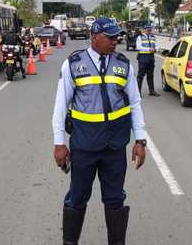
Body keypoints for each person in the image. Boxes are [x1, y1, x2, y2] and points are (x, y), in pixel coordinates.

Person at [52, 18, 147, 245]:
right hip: (83, 146)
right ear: (94, 37)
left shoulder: (123, 64)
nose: (116, 41)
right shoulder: (73, 64)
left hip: (114, 146)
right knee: (77, 198)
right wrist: (59, 143)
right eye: (110, 37)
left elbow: (135, 103)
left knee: (115, 200)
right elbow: (60, 105)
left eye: (117, 37)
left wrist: (140, 140)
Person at [136, 24, 160, 96]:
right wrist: (149, 49)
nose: (149, 30)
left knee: (150, 75)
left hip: (151, 57)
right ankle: (138, 92)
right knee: (140, 75)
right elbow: (138, 47)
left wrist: (156, 49)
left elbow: (157, 45)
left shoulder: (153, 37)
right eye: (147, 29)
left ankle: (151, 91)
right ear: (144, 29)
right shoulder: (140, 37)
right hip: (143, 57)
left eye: (150, 29)